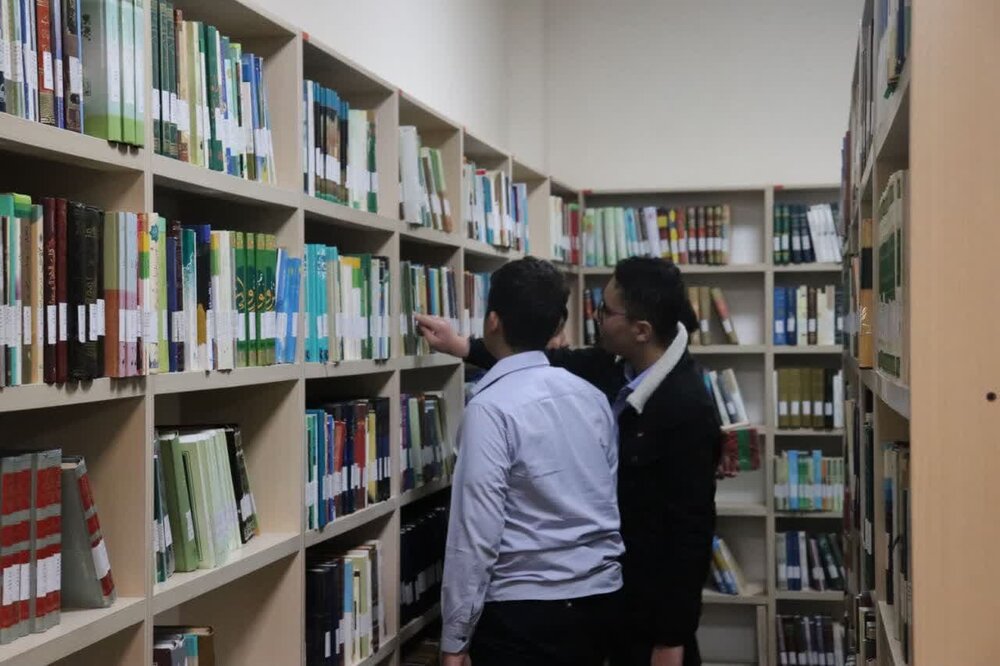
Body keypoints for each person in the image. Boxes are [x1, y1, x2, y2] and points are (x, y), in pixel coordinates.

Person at [418, 256, 721, 666]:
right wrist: (463, 346)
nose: (597, 317)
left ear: (642, 330)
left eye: (606, 311)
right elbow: (546, 363)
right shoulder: (606, 380)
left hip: (611, 610)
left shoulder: (686, 407)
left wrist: (671, 637)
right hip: (602, 599)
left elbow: (691, 532)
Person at [439, 257, 624, 666]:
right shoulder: (592, 398)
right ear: (558, 327)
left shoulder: (490, 408)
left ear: (492, 322)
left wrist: (455, 639)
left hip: (523, 613)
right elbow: (606, 495)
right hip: (599, 602)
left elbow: (476, 533)